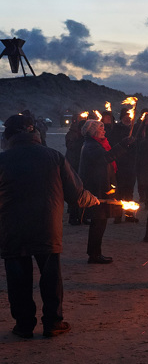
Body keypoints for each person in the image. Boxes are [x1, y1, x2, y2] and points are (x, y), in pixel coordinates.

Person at [0, 114, 99, 338]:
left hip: (12, 228)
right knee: (51, 276)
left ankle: (24, 325)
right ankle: (53, 322)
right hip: (47, 226)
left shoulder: (2, 160)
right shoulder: (53, 157)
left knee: (18, 279)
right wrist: (90, 199)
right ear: (33, 132)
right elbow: (76, 193)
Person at [78, 119, 133, 264]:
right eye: (101, 129)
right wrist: (122, 145)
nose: (104, 131)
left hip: (100, 186)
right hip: (97, 188)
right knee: (98, 222)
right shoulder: (91, 146)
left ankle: (95, 253)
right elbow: (106, 158)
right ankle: (94, 255)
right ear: (94, 131)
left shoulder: (95, 144)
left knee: (100, 222)